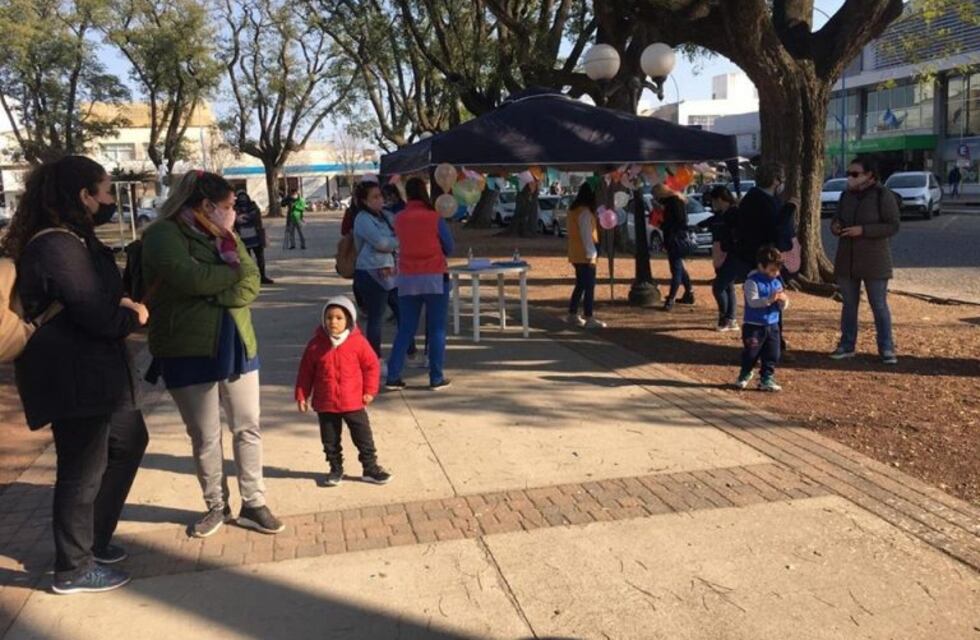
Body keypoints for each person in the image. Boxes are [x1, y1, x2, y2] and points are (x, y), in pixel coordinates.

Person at [3, 155, 149, 594]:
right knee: (82, 468)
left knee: (127, 440)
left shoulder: (75, 240)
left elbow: (96, 298)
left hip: (98, 374)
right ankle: (73, 566)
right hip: (73, 375)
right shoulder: (56, 246)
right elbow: (94, 313)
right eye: (105, 191)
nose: (110, 199)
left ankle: (93, 541)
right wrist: (133, 315)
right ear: (83, 196)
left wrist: (118, 306)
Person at [142, 170, 285, 538]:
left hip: (236, 342)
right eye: (227, 206)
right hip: (186, 348)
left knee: (247, 426)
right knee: (205, 436)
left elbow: (250, 281)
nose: (232, 213)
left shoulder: (226, 235)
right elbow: (191, 279)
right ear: (206, 205)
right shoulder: (162, 235)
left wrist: (215, 288)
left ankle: (253, 502)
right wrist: (225, 278)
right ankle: (215, 506)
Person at [295, 296, 391, 486]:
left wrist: (370, 390)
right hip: (326, 403)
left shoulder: (358, 342)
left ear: (349, 320)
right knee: (330, 441)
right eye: (329, 318)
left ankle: (370, 468)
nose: (333, 322)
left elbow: (372, 366)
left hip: (353, 402)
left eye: (339, 318)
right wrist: (301, 395)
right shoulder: (315, 345)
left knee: (363, 437)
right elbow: (305, 372)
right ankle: (335, 469)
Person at [384, 178, 454, 390]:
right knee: (437, 328)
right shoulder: (434, 217)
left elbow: (396, 243)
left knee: (406, 328)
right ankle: (436, 376)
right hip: (434, 275)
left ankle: (393, 375)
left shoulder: (399, 218)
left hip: (407, 277)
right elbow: (449, 246)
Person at [830, 157, 900, 365]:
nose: (850, 178)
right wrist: (835, 226)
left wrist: (864, 230)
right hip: (847, 259)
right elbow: (837, 218)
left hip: (874, 260)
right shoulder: (846, 195)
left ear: (869, 175)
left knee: (878, 305)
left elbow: (892, 225)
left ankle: (886, 347)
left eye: (855, 174)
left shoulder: (882, 195)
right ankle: (847, 344)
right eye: (848, 173)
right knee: (849, 305)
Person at [713, 163, 784, 323]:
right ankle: (762, 329)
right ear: (775, 181)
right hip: (759, 257)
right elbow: (774, 229)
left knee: (767, 293)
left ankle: (765, 329)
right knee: (762, 294)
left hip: (753, 256)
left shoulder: (754, 199)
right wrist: (788, 211)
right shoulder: (762, 201)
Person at [352, 181, 403, 362]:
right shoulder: (363, 219)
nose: (380, 199)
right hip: (370, 272)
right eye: (374, 197)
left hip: (391, 271)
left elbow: (400, 233)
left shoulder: (387, 216)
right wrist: (395, 241)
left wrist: (393, 241)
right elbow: (380, 243)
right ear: (364, 201)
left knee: (401, 310)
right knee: (377, 316)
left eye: (380, 195)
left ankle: (409, 349)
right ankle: (375, 358)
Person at [736, 246, 789, 392]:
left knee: (773, 353)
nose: (775, 273)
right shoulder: (751, 282)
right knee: (751, 353)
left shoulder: (777, 282)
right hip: (754, 326)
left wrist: (783, 301)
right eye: (772, 270)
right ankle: (745, 372)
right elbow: (753, 302)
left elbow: (782, 304)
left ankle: (767, 378)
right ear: (761, 266)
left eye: (777, 270)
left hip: (772, 325)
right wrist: (769, 299)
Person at [565, 183, 605, 328]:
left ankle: (572, 313)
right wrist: (592, 254)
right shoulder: (585, 213)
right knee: (589, 286)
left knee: (581, 284)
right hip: (585, 253)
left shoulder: (573, 210)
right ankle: (589, 317)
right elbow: (586, 235)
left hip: (575, 252)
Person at [656, 183, 694, 311]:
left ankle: (671, 299)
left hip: (675, 239)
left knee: (676, 269)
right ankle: (689, 292)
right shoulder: (677, 201)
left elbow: (677, 222)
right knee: (679, 267)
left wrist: (662, 224)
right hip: (677, 238)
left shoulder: (674, 203)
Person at [707, 185, 739, 331]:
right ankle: (731, 318)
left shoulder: (732, 213)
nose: (713, 204)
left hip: (731, 253)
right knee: (728, 286)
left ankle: (725, 318)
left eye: (714, 201)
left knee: (718, 287)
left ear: (719, 199)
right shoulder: (723, 214)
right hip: (724, 251)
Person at [234, 190, 274, 285]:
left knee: (260, 258)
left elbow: (254, 216)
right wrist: (239, 218)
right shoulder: (234, 208)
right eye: (240, 197)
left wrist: (243, 217)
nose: (242, 199)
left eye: (244, 197)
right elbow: (235, 219)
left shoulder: (253, 206)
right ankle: (250, 278)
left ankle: (262, 276)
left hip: (255, 236)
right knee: (247, 260)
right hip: (242, 238)